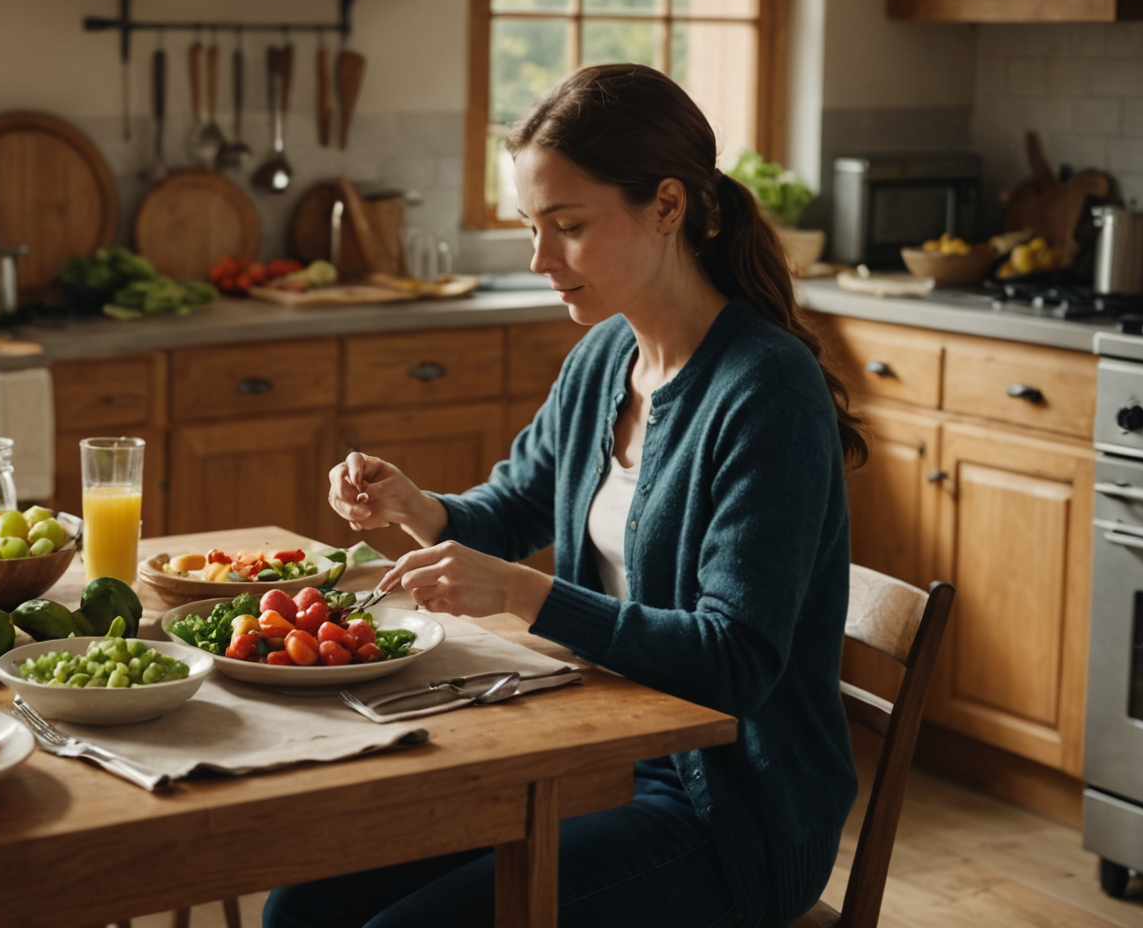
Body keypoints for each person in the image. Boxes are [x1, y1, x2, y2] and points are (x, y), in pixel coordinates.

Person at [264, 63, 866, 928]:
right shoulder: (602, 359)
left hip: (729, 813)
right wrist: (414, 507)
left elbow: (735, 661)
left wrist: (522, 594)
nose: (542, 259)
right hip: (591, 758)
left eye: (569, 227)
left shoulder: (766, 389)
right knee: (300, 909)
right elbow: (514, 507)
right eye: (529, 227)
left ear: (667, 206)